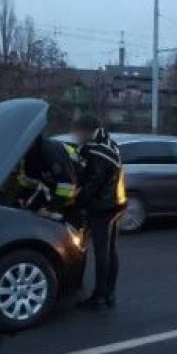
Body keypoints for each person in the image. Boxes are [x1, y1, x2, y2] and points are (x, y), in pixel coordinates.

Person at [73, 116, 126, 309]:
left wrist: (78, 201)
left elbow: (93, 182)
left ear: (86, 131)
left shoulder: (96, 150)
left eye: (78, 132)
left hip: (103, 207)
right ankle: (109, 294)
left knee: (102, 252)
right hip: (116, 203)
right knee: (110, 251)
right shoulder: (109, 144)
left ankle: (99, 296)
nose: (76, 136)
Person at [19, 136, 80, 218]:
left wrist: (49, 208)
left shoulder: (52, 156)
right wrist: (23, 196)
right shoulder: (28, 155)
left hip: (76, 182)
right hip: (53, 183)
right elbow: (28, 179)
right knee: (30, 211)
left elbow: (67, 186)